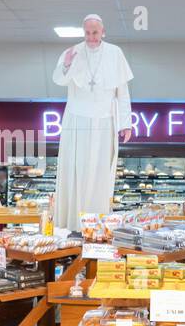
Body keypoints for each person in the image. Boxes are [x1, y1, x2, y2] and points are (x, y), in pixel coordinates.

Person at [51, 13, 134, 231]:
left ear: (103, 31)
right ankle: (71, 225)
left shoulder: (115, 53)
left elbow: (123, 93)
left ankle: (95, 226)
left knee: (98, 174)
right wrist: (67, 65)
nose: (91, 37)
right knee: (75, 170)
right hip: (76, 121)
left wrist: (125, 123)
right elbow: (58, 79)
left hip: (104, 120)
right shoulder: (73, 52)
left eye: (95, 32)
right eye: (87, 32)